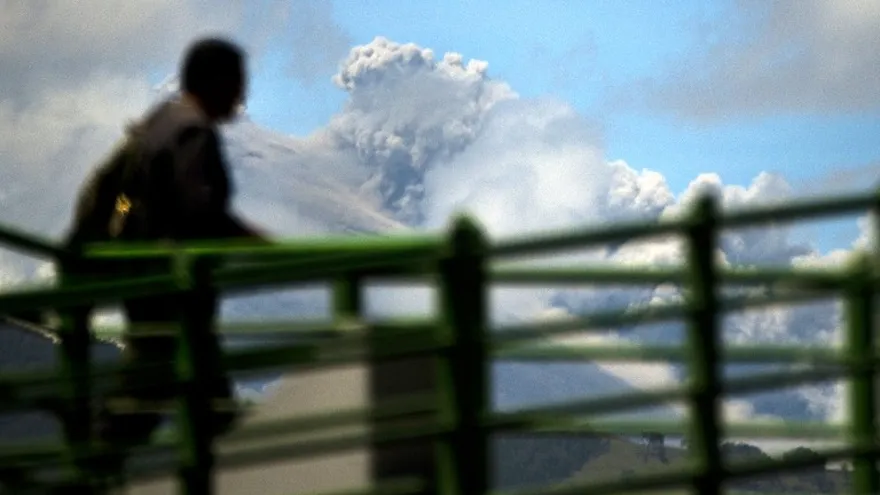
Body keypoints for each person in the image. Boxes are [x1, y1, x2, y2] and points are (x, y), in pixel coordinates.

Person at [77, 37, 269, 460]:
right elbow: (198, 210)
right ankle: (90, 468)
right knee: (170, 400)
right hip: (175, 293)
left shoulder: (159, 123)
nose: (242, 95)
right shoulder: (193, 133)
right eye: (237, 83)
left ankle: (97, 462)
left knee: (179, 398)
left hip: (147, 285)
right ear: (214, 81)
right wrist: (258, 243)